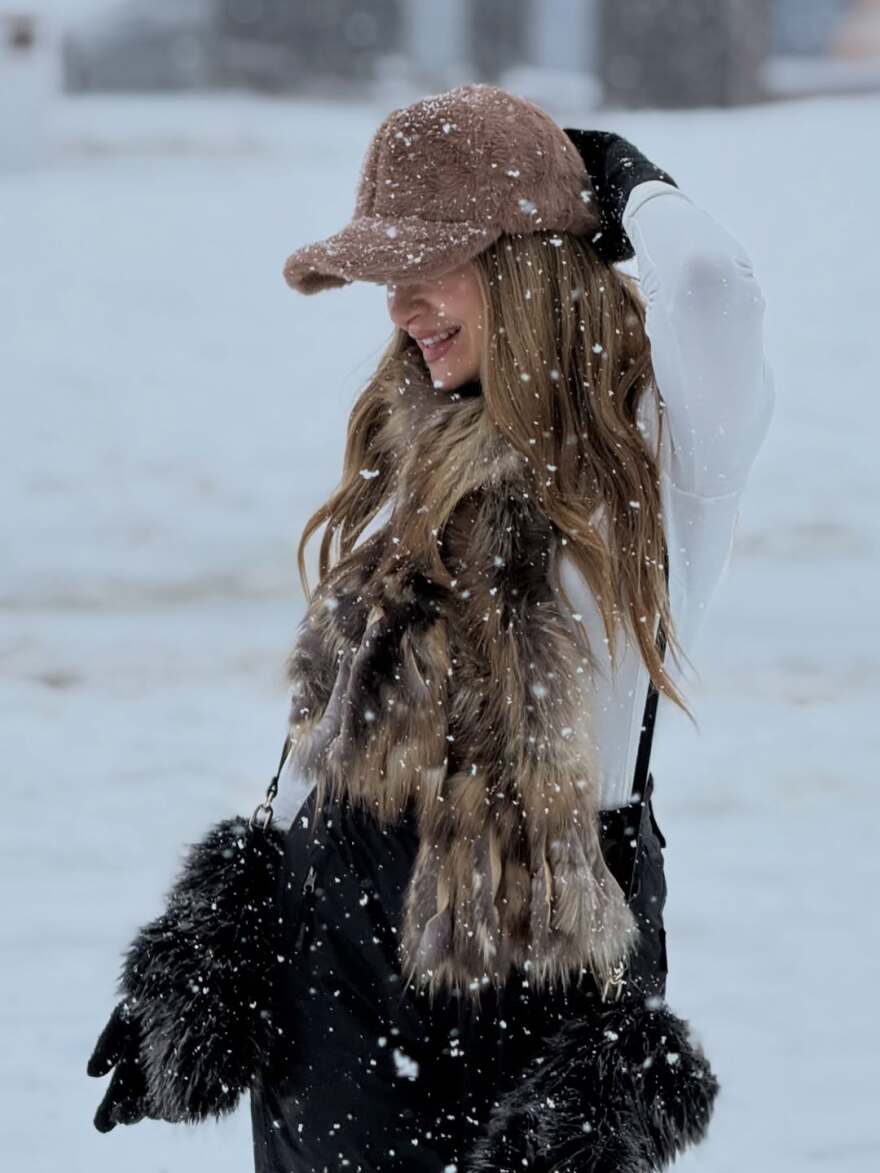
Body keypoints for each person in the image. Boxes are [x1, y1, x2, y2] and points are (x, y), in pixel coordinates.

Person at [88, 83, 775, 1172]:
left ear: (528, 262)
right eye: (386, 279)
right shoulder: (422, 435)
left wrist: (616, 176)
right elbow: (336, 732)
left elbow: (707, 285)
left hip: (540, 987)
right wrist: (215, 938)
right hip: (333, 977)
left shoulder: (650, 458)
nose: (401, 308)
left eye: (430, 266)